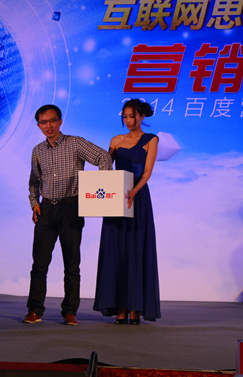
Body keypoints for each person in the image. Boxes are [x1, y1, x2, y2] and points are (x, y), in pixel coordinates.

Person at [24, 104, 112, 326]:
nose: (48, 126)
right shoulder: (38, 150)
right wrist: (34, 203)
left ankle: (70, 311)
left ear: (60, 121)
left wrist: (100, 189)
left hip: (71, 209)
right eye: (43, 122)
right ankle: (34, 310)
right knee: (39, 264)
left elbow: (103, 157)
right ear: (39, 125)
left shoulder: (75, 143)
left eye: (52, 120)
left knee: (71, 264)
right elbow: (34, 181)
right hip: (46, 211)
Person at [93, 99, 161, 325]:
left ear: (142, 116)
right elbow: (105, 166)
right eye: (125, 116)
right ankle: (120, 307)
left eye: (132, 116)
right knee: (116, 252)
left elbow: (147, 172)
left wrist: (134, 192)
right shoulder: (115, 140)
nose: (129, 120)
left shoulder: (151, 140)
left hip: (137, 198)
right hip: (116, 199)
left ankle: (135, 307)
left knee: (135, 251)